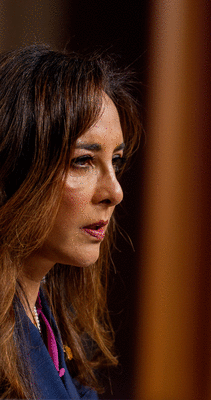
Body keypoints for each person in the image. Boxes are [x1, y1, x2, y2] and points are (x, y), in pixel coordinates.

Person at [0, 44, 142, 399]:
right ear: (16, 168)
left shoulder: (48, 315)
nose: (115, 191)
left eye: (116, 162)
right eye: (83, 161)